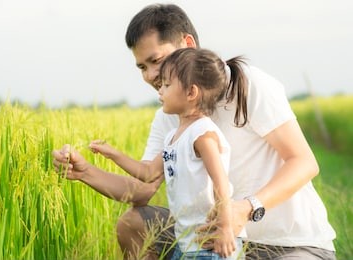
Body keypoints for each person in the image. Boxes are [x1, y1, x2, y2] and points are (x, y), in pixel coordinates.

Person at [52, 3, 337, 260]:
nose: (150, 76)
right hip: (210, 240)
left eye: (156, 60)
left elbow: (303, 162)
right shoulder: (169, 114)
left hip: (290, 245)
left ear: (187, 44)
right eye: (142, 67)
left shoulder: (247, 84)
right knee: (133, 224)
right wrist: (85, 172)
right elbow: (143, 189)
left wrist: (244, 209)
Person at [88, 48, 246, 259]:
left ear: (191, 93)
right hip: (187, 243)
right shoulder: (173, 136)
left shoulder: (202, 133)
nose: (160, 90)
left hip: (212, 245)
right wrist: (113, 154)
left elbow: (221, 183)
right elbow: (148, 173)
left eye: (167, 85)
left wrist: (226, 228)